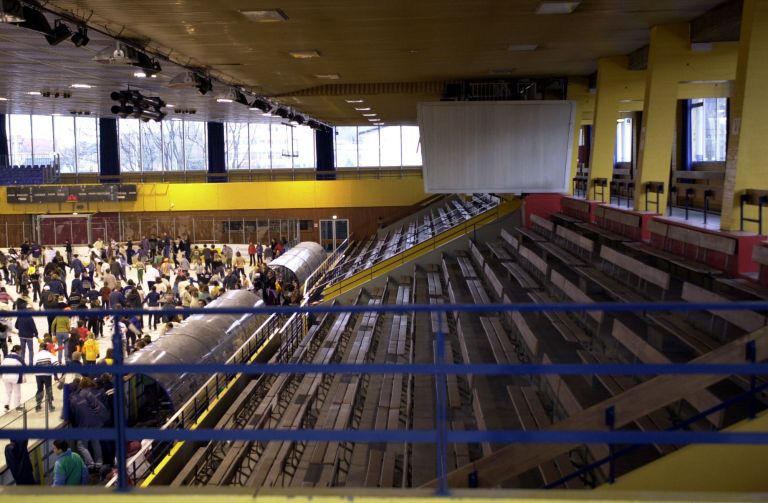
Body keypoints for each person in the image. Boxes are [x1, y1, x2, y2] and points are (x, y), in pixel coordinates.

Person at [33, 343, 58, 412]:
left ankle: (38, 405)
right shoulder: (49, 354)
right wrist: (55, 375)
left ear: (41, 348)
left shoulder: (36, 355)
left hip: (38, 375)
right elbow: (55, 365)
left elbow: (34, 365)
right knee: (48, 389)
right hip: (47, 374)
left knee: (39, 389)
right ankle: (50, 406)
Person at [1, 345, 24, 411]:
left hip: (5, 377)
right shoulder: (18, 358)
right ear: (17, 350)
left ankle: (6, 405)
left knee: (8, 392)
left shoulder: (6, 357)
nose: (21, 351)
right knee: (17, 391)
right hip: (15, 377)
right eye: (20, 350)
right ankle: (17, 406)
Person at [15, 300, 37, 365]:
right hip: (29, 336)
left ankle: (22, 363)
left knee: (22, 351)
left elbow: (16, 326)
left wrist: (21, 328)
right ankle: (31, 364)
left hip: (21, 335)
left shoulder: (19, 316)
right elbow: (33, 327)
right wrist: (36, 333)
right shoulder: (30, 318)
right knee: (30, 350)